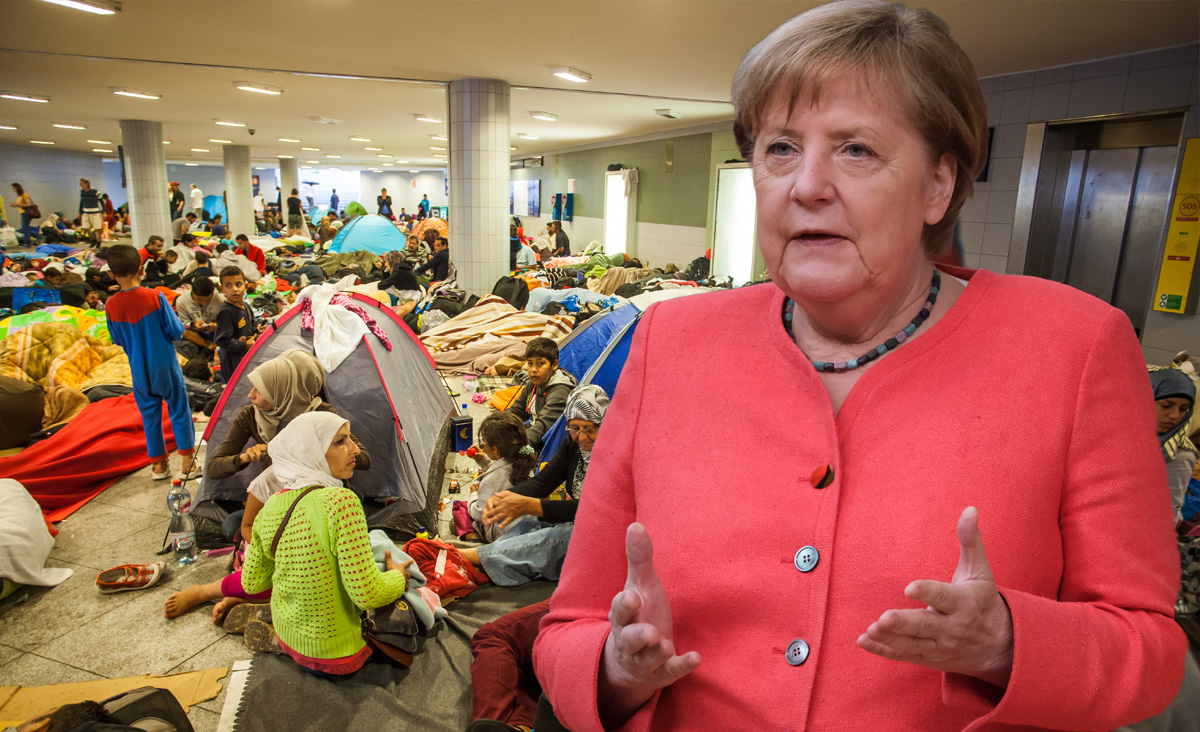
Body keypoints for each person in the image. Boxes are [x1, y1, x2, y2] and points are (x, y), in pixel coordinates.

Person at [533, 3, 1187, 731]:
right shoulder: (669, 341)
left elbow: (1150, 650)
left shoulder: (1076, 346)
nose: (805, 185)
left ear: (938, 186)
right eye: (781, 149)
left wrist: (1005, 642)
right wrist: (616, 670)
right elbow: (568, 629)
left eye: (855, 150)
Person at [165, 351, 371, 620]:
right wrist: (243, 458)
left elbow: (363, 457)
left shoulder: (321, 418)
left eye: (260, 390)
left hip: (319, 504)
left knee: (340, 548)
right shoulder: (255, 427)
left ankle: (247, 599)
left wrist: (322, 445)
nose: (250, 395)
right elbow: (215, 469)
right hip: (277, 507)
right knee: (239, 530)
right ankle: (235, 594)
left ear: (285, 392)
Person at [239, 411, 410, 672]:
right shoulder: (340, 502)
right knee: (412, 600)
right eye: (340, 442)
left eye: (351, 439)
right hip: (338, 653)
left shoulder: (271, 506)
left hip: (290, 638)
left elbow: (251, 583)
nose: (354, 449)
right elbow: (368, 594)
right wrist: (397, 577)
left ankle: (277, 632)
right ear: (311, 451)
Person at [460, 385, 608, 587]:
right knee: (530, 528)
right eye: (574, 428)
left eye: (589, 429)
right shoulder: (572, 446)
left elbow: (592, 509)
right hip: (578, 523)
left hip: (608, 533)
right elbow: (542, 482)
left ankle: (473, 558)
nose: (581, 437)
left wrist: (532, 506)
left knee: (553, 538)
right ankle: (488, 560)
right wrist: (506, 497)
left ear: (605, 424)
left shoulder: (616, 455)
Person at [103, 244, 196, 480]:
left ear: (111, 275)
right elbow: (176, 331)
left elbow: (116, 339)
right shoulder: (155, 297)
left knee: (149, 415)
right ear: (142, 269)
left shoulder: (111, 305)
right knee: (178, 409)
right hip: (164, 365)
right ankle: (187, 462)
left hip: (138, 367)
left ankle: (159, 466)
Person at [453, 412, 537, 543]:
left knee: (459, 507)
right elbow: (504, 473)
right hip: (527, 528)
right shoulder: (524, 463)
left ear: (495, 449)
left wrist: (474, 494)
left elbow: (480, 514)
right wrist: (485, 462)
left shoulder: (490, 481)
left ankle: (473, 540)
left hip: (501, 534)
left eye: (484, 442)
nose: (483, 447)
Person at [504, 338, 576, 451]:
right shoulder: (534, 383)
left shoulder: (560, 392)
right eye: (530, 363)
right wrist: (495, 426)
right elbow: (516, 412)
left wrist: (516, 448)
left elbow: (541, 429)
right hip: (535, 431)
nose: (533, 370)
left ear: (554, 365)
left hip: (549, 445)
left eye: (540, 363)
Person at [1150, 367, 1197, 525]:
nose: (1174, 415)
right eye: (1166, 406)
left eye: (1183, 409)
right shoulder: (1120, 436)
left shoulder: (1178, 454)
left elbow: (1167, 513)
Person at [214, 266, 259, 379]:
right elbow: (222, 340)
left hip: (245, 356)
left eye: (238, 284)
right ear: (221, 289)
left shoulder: (246, 306)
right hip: (232, 360)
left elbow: (251, 325)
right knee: (236, 387)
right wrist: (245, 345)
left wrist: (258, 329)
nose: (234, 289)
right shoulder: (226, 312)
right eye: (228, 286)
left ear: (246, 286)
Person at [174, 276, 223, 361]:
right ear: (193, 293)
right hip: (196, 335)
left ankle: (211, 347)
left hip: (215, 333)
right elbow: (184, 324)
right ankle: (208, 346)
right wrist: (193, 324)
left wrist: (217, 326)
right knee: (181, 331)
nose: (204, 303)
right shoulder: (181, 301)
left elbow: (227, 323)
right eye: (199, 300)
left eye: (208, 300)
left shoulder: (221, 300)